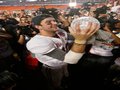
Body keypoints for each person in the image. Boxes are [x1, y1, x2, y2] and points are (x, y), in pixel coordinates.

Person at [26, 14, 99, 90]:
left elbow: (73, 38)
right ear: (38, 27)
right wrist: (81, 40)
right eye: (49, 22)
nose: (55, 23)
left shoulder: (59, 31)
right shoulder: (38, 42)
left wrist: (83, 32)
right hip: (53, 68)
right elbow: (70, 59)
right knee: (55, 85)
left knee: (65, 79)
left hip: (65, 65)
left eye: (54, 21)